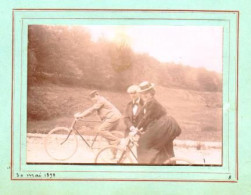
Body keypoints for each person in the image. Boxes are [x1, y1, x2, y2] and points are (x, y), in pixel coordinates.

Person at [135, 81, 182, 164]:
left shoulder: (152, 102)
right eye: (142, 93)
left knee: (143, 142)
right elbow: (149, 119)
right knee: (162, 146)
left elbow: (146, 118)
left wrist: (136, 129)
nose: (144, 95)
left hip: (165, 124)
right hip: (164, 125)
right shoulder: (149, 103)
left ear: (151, 93)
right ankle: (165, 164)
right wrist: (142, 129)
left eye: (146, 93)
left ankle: (145, 165)